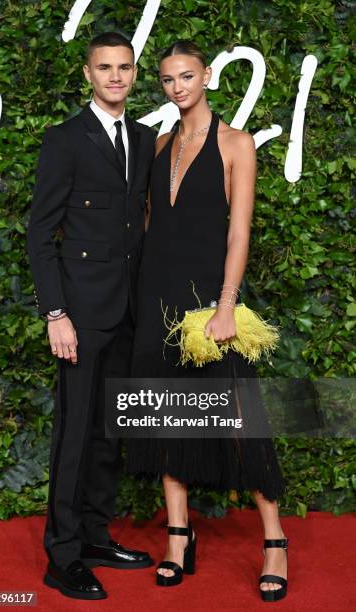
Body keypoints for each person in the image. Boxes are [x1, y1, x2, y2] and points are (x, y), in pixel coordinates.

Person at [125, 40, 289, 602]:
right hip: (155, 297)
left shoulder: (236, 143)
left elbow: (239, 231)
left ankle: (274, 541)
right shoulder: (159, 143)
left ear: (209, 77)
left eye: (187, 77)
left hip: (207, 301)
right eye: (168, 80)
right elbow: (147, 224)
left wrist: (226, 303)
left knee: (242, 419)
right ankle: (178, 535)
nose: (177, 88)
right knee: (165, 417)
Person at [27, 32, 156, 600]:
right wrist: (56, 313)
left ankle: (96, 536)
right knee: (75, 435)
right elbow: (40, 235)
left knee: (110, 432)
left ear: (134, 73)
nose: (115, 77)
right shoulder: (64, 140)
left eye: (124, 68)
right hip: (79, 312)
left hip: (127, 309)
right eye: (104, 68)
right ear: (88, 75)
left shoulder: (145, 138)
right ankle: (62, 556)